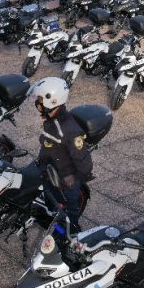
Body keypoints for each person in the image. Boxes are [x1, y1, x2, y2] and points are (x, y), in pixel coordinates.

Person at [31, 76, 93, 232]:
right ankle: (51, 216)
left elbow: (82, 158)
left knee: (69, 210)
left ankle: (71, 234)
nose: (37, 104)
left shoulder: (68, 129)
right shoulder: (52, 120)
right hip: (49, 170)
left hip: (65, 180)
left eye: (40, 100)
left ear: (52, 101)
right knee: (49, 199)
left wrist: (79, 178)